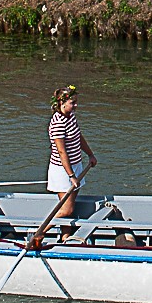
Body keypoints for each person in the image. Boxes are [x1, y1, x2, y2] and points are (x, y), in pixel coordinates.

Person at [46, 85, 96, 228]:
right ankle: (41, 231)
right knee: (67, 210)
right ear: (62, 103)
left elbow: (78, 137)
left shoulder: (71, 116)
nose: (76, 106)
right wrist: (71, 175)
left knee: (70, 207)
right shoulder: (58, 123)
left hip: (76, 165)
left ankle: (65, 236)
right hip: (63, 171)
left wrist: (90, 154)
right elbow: (62, 152)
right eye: (72, 103)